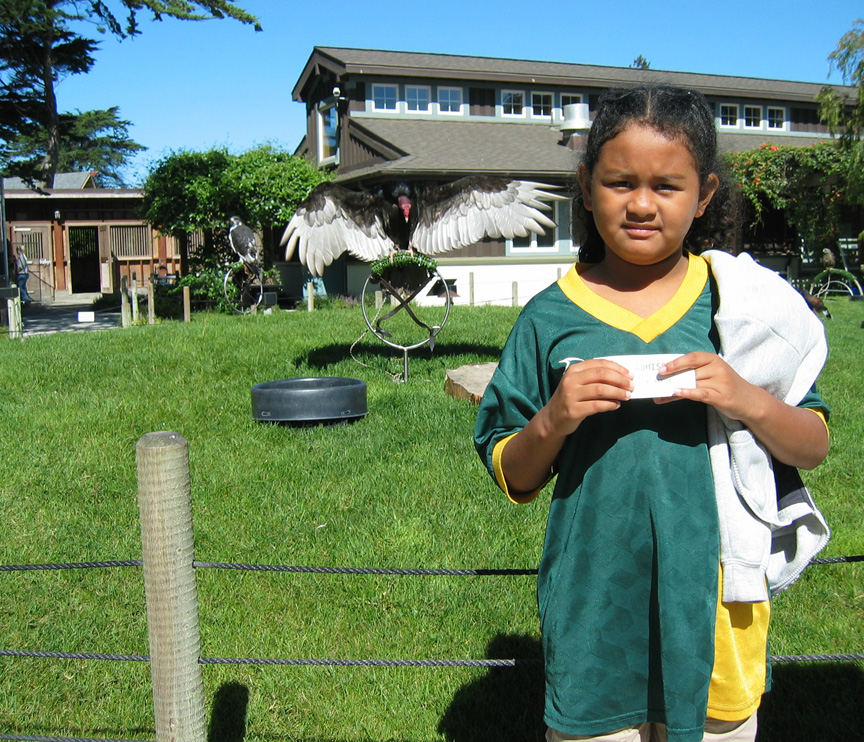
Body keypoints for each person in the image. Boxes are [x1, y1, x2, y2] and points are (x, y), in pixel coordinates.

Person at [474, 85, 830, 742]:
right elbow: (513, 474)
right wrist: (556, 417)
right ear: (585, 187)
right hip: (595, 613)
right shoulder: (549, 318)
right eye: (619, 182)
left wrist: (742, 395)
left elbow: (811, 443)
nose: (641, 204)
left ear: (705, 196)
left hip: (716, 614)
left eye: (667, 186)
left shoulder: (741, 309)